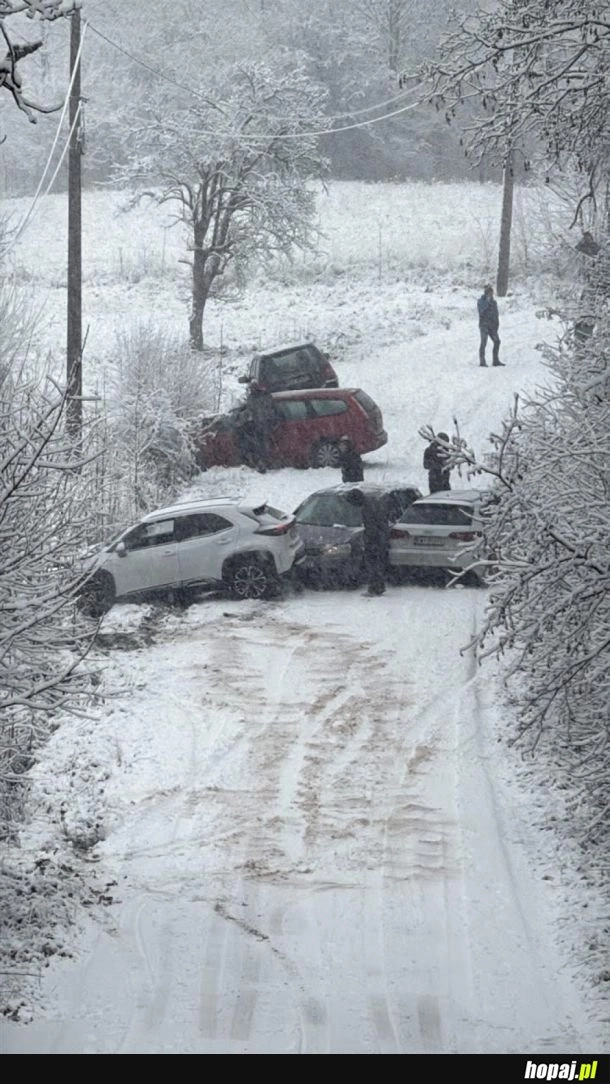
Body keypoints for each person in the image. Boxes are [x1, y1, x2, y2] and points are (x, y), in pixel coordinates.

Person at [345, 488, 390, 596]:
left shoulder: (368, 508)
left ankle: (375, 588)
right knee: (377, 564)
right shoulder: (372, 502)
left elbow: (372, 527)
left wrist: (369, 541)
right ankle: (378, 586)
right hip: (380, 538)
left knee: (373, 564)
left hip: (375, 540)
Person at [236, 386, 277, 472]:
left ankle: (261, 463)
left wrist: (242, 422)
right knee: (263, 445)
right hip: (265, 425)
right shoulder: (267, 397)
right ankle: (264, 462)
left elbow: (250, 411)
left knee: (258, 445)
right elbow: (271, 410)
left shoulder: (253, 398)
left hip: (257, 425)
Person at [477, 284, 504, 367]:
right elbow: (481, 311)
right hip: (484, 325)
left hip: (492, 326)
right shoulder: (481, 301)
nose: (491, 294)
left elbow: (496, 314)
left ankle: (495, 360)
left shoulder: (494, 302)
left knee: (497, 341)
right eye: (489, 293)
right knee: (483, 342)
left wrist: (497, 325)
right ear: (486, 293)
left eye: (492, 293)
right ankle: (482, 361)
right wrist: (487, 303)